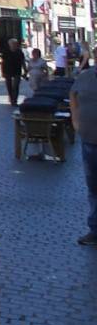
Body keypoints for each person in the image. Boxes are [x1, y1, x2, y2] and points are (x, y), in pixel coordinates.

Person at [70, 66, 97, 246]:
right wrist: (75, 121)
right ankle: (95, 229)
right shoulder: (86, 76)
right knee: (94, 186)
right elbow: (73, 95)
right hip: (89, 139)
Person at [1, 38, 27, 107]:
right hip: (7, 71)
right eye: (12, 44)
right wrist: (2, 72)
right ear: (9, 44)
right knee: (9, 86)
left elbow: (23, 61)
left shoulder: (19, 52)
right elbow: (3, 62)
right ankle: (11, 98)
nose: (14, 45)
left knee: (16, 86)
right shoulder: (6, 51)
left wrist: (25, 70)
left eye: (15, 44)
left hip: (17, 70)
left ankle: (14, 100)